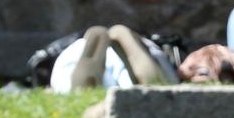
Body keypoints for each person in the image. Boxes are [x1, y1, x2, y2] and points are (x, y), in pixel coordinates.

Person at [49, 25, 178, 92]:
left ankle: (82, 91)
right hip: (146, 51)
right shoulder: (150, 46)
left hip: (76, 53)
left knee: (66, 81)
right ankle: (152, 83)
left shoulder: (75, 48)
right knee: (160, 83)